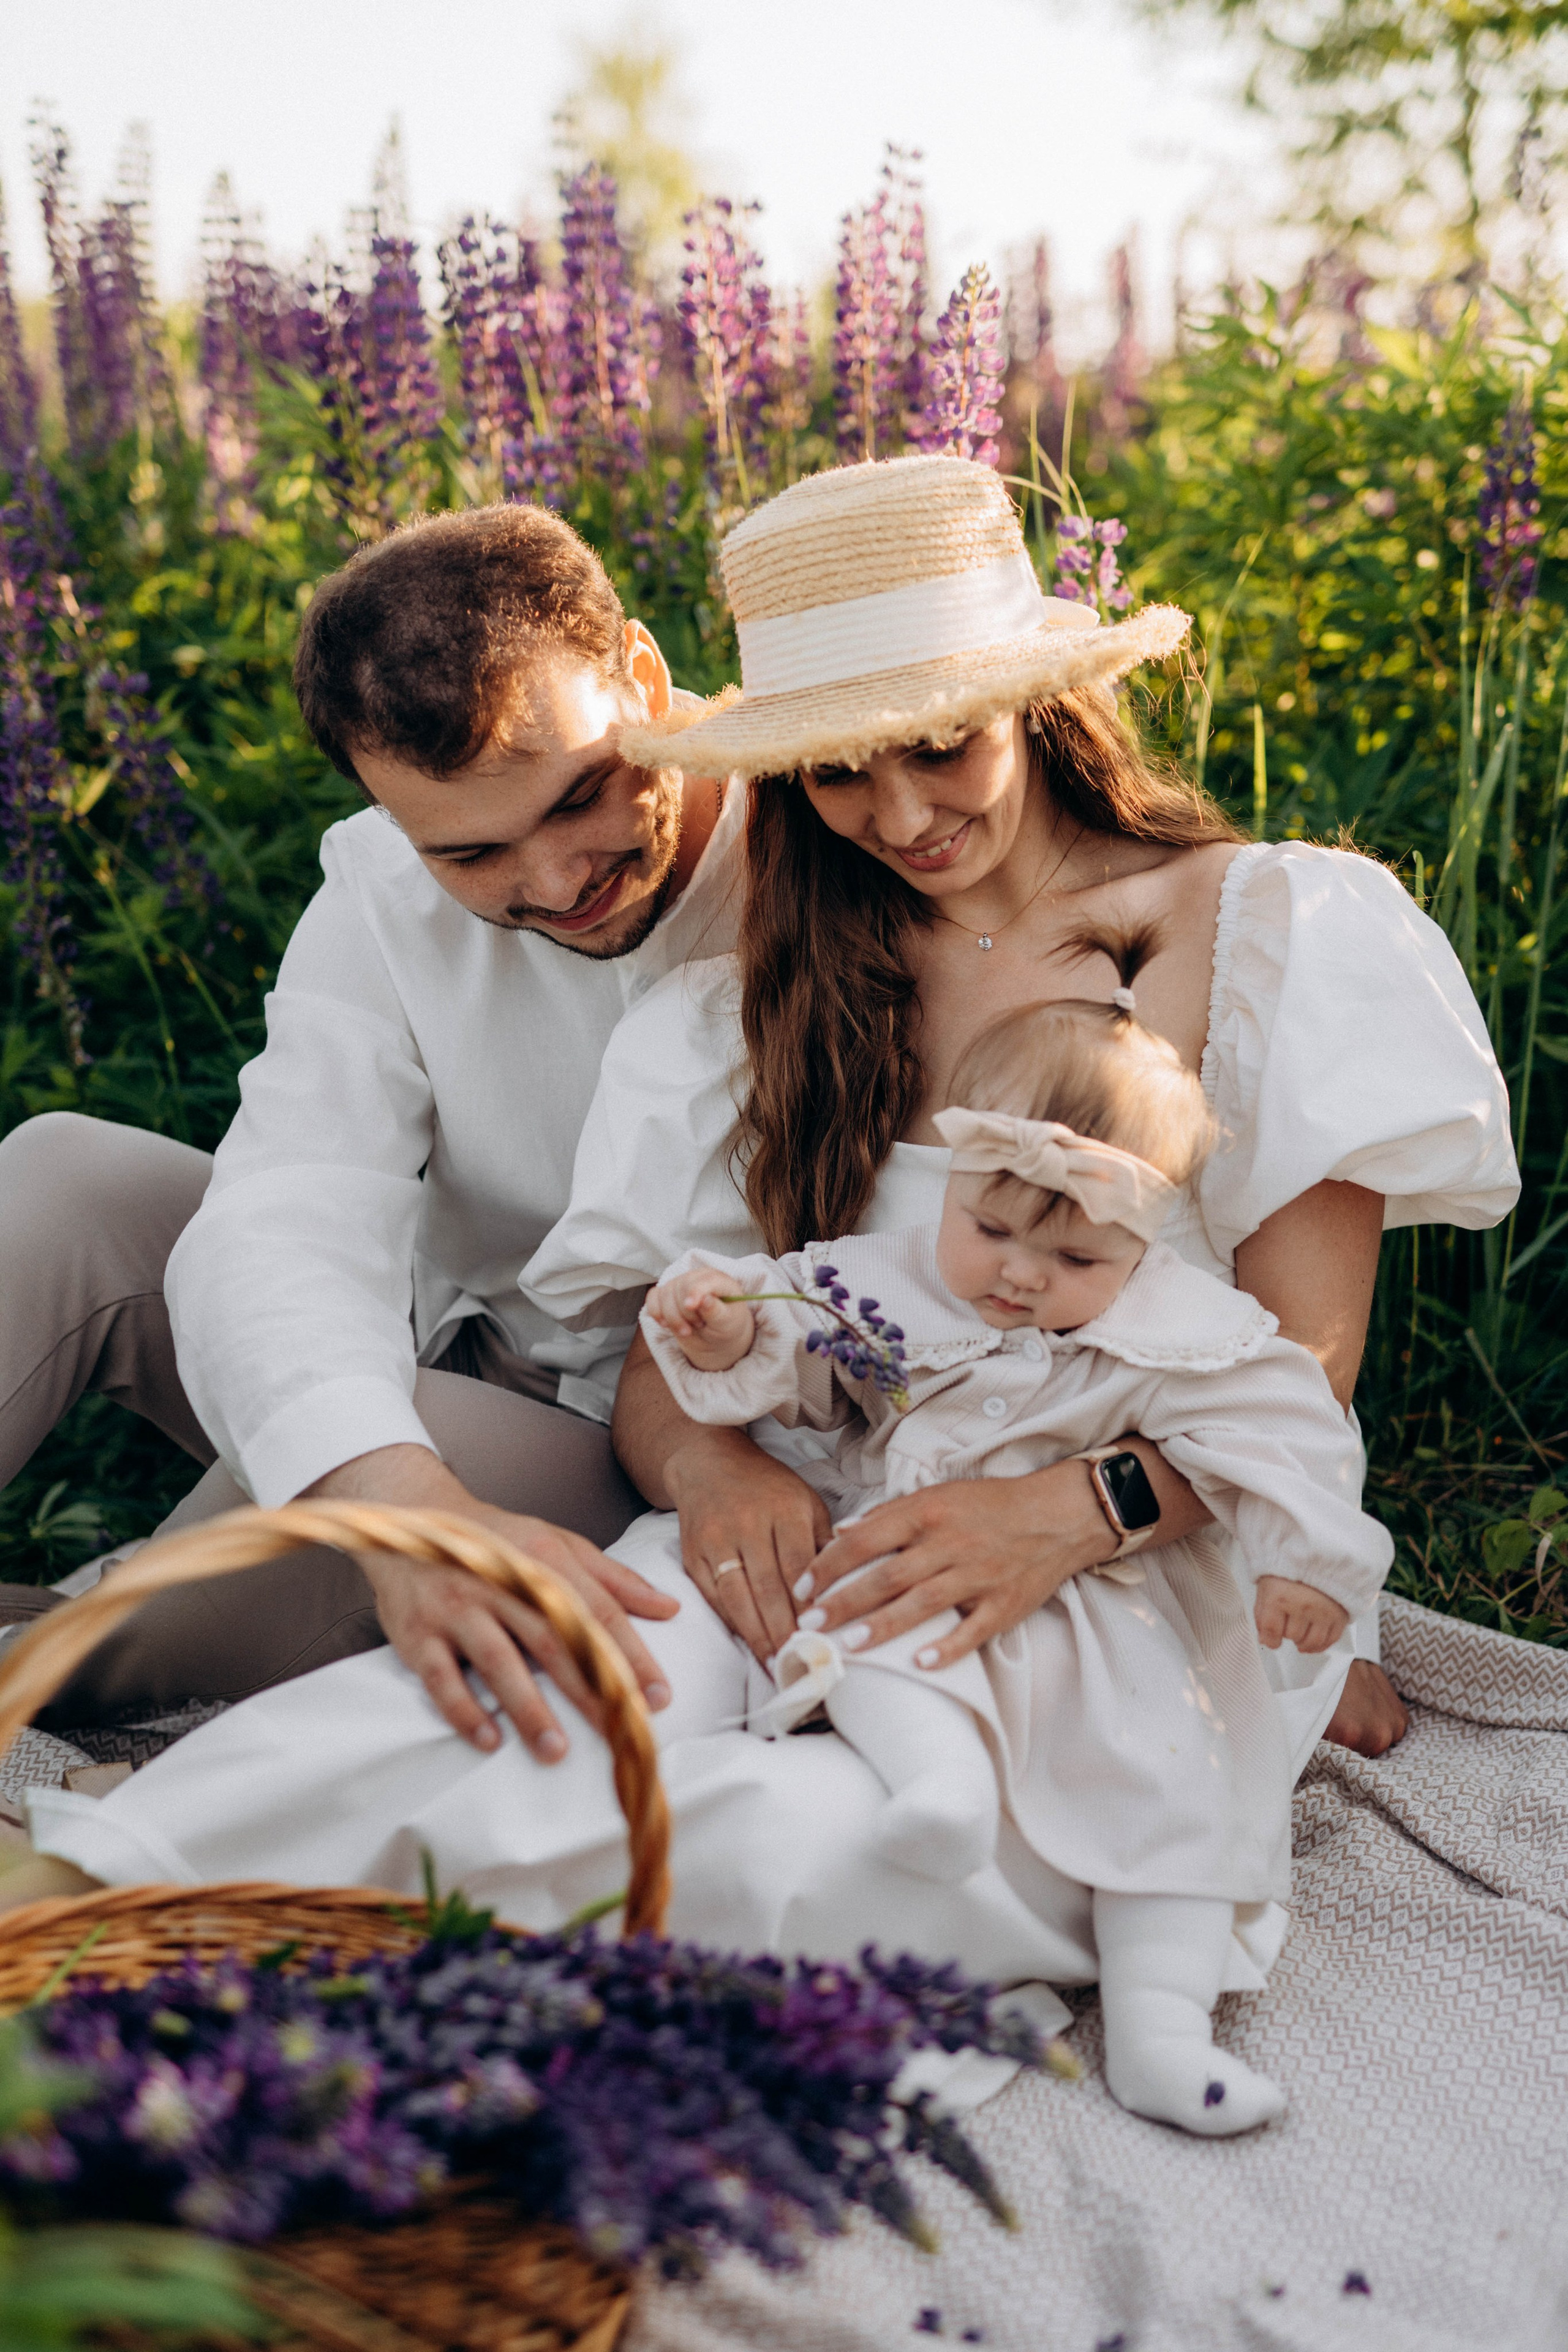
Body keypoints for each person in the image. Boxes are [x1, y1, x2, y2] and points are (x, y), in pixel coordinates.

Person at [529, 450, 1519, 1779]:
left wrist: (1063, 1512)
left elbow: (1297, 1368)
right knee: (560, 1740)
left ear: (1036, 705)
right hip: (832, 1533)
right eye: (833, 772)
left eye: (942, 743)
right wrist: (712, 1479)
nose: (899, 816)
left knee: (841, 1832)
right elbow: (670, 1351)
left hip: (1139, 1551)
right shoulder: (764, 1002)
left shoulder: (1264, 929)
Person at [0, 502, 748, 1757]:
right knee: (62, 1172)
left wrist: (386, 1493)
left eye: (583, 795)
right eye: (474, 852)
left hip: (618, 1434)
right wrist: (396, 1493)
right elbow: (282, 1211)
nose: (559, 880)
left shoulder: (820, 834)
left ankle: (55, 1676)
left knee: (256, 1547)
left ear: (640, 672)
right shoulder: (383, 886)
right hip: (417, 1339)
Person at [635, 950, 1392, 2133]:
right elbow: (790, 1344)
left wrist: (1310, 1567)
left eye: (1076, 1259)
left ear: (1143, 1246)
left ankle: (1161, 2032)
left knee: (1181, 1790)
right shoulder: (896, 1284)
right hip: (922, 1572)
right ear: (950, 1184)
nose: (1021, 1278)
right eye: (991, 1230)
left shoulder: (1184, 1328)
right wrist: (726, 1331)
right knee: (877, 1629)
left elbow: (1290, 1432)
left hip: (1120, 1615)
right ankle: (938, 1783)